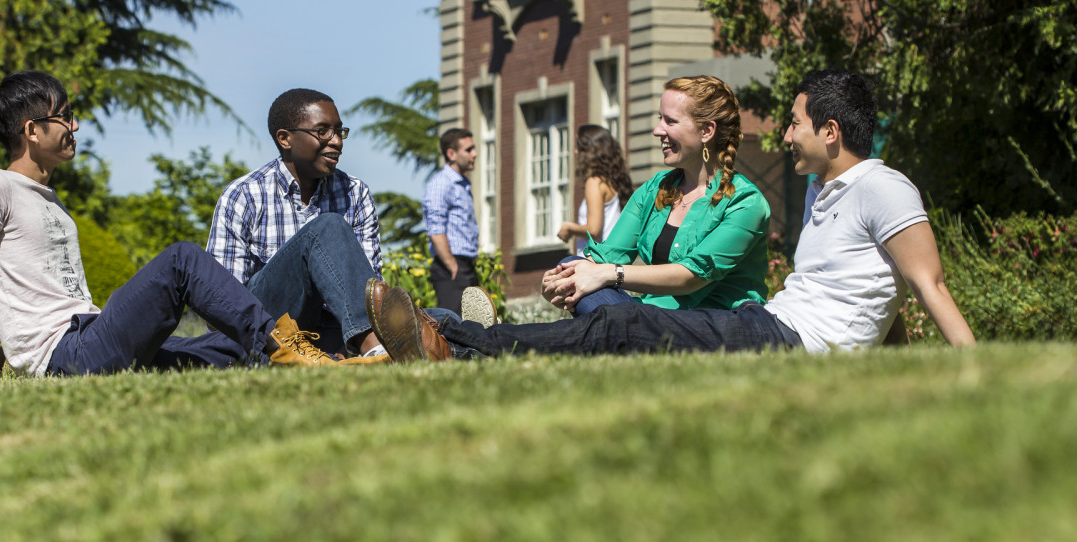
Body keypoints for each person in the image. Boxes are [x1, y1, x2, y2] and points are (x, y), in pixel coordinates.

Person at [371, 69, 975, 362]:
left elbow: (926, 285)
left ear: (831, 130)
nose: (786, 135)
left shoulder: (884, 187)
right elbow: (876, 299)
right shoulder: (824, 190)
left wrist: (972, 371)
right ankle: (439, 334)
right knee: (610, 318)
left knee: (618, 326)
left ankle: (452, 341)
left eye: (794, 123)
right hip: (777, 322)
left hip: (778, 334)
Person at [0, 71, 379, 381]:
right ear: (31, 130)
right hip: (70, 352)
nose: (75, 125)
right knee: (180, 259)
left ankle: (359, 352)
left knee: (220, 352)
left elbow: (11, 285)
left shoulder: (49, 201)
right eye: (65, 116)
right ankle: (282, 346)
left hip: (88, 334)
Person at [543, 76, 771, 317]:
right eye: (659, 119)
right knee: (574, 265)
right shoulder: (654, 190)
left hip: (712, 323)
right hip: (648, 317)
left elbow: (690, 277)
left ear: (706, 131)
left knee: (606, 314)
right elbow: (605, 257)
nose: (657, 130)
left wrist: (609, 273)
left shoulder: (746, 202)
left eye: (670, 121)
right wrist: (561, 278)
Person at [207, 88, 397, 357]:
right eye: (322, 131)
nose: (337, 142)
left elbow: (369, 291)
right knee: (327, 227)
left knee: (438, 317)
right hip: (269, 333)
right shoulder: (243, 196)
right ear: (285, 139)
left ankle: (471, 337)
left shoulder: (355, 193)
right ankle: (376, 352)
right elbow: (220, 309)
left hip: (336, 330)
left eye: (339, 131)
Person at [423, 128, 481, 314]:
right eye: (469, 149)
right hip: (452, 268)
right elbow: (435, 229)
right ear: (451, 154)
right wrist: (452, 266)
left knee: (474, 325)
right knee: (452, 325)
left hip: (466, 266)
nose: (475, 153)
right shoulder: (441, 183)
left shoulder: (461, 184)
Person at [555, 124, 633, 255]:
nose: (575, 152)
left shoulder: (594, 182)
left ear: (591, 151)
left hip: (594, 262)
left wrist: (569, 228)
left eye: (579, 148)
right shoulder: (612, 182)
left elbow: (594, 229)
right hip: (609, 261)